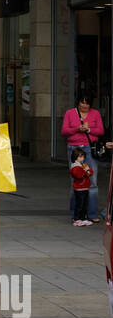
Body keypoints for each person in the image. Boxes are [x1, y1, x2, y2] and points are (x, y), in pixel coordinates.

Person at [61, 94, 104, 223]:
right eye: (82, 103)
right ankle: (76, 213)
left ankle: (91, 213)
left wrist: (88, 129)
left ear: (90, 104)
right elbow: (64, 131)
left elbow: (101, 131)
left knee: (92, 180)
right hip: (74, 150)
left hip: (89, 149)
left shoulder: (95, 114)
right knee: (76, 179)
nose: (84, 105)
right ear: (78, 103)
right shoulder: (70, 113)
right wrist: (77, 128)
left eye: (87, 103)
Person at [69, 147, 94, 226]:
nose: (82, 158)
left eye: (83, 156)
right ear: (75, 157)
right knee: (79, 204)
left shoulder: (83, 165)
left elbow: (90, 173)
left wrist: (88, 170)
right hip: (79, 188)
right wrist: (85, 170)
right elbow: (79, 175)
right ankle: (76, 219)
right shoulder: (75, 166)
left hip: (85, 187)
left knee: (85, 204)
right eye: (80, 156)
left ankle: (83, 218)